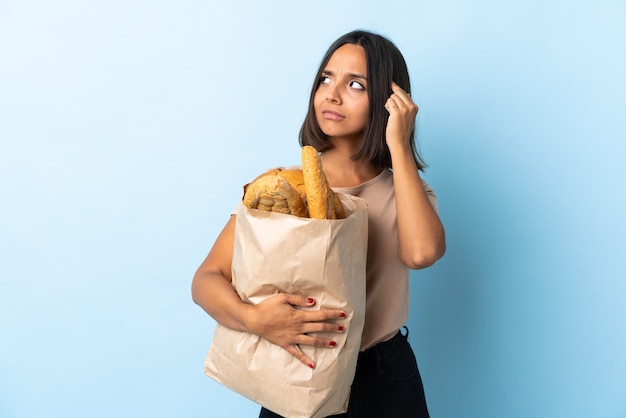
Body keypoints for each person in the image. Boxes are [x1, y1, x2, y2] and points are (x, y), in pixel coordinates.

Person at [192, 29, 446, 418]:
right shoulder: (282, 187)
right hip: (301, 367)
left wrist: (398, 143)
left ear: (388, 102)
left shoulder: (407, 190)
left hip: (382, 374)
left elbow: (422, 253)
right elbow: (206, 278)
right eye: (325, 79)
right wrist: (254, 319)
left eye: (356, 85)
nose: (332, 93)